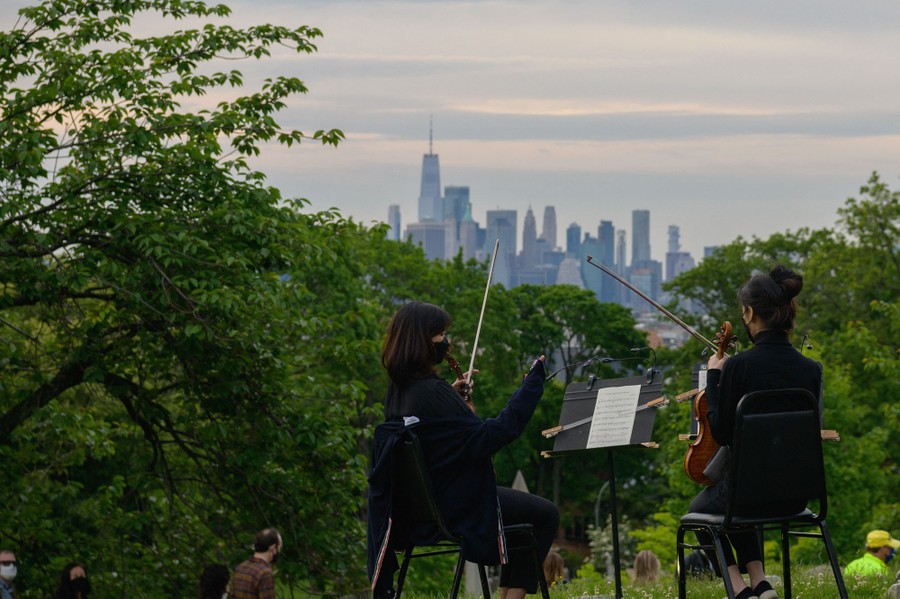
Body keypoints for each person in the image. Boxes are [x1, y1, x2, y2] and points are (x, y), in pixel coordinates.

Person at [367, 301, 559, 599]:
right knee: (545, 515)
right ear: (423, 339)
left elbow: (433, 431)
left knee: (522, 515)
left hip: (418, 510)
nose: (446, 342)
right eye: (440, 334)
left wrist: (453, 399)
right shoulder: (433, 391)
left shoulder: (399, 390)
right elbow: (491, 436)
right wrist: (530, 388)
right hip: (457, 506)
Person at [688, 265, 822, 599]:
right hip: (797, 494)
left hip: (748, 495)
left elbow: (720, 431)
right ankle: (761, 584)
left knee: (705, 510)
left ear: (748, 313)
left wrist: (715, 377)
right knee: (733, 493)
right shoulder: (810, 369)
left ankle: (739, 589)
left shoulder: (737, 366)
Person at [232, 528, 282, 599]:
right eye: (279, 547)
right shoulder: (264, 573)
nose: (279, 551)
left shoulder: (240, 567)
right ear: (273, 548)